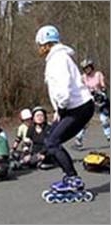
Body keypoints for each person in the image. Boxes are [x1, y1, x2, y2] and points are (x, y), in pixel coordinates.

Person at [35, 25, 94, 191]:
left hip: (78, 108)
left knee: (53, 141)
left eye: (39, 45)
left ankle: (73, 179)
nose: (38, 49)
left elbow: (63, 88)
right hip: (76, 107)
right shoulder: (59, 57)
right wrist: (58, 111)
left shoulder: (57, 60)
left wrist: (61, 109)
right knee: (50, 138)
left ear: (45, 44)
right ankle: (50, 159)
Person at [74, 58, 110, 148]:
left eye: (88, 68)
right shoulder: (83, 78)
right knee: (85, 120)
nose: (87, 70)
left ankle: (109, 136)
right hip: (89, 100)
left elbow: (103, 86)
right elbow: (80, 89)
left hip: (100, 99)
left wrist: (102, 92)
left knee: (104, 119)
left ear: (91, 67)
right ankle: (78, 138)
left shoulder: (98, 74)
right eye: (85, 68)